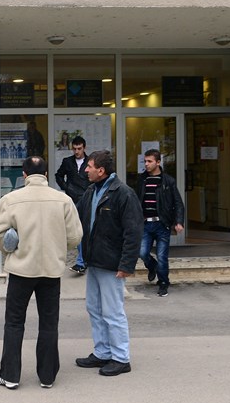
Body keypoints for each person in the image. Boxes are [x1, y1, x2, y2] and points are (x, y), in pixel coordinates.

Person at [0, 156, 83, 389]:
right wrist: (58, 248)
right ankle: (47, 376)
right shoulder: (63, 200)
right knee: (49, 323)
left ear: (24, 175)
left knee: (14, 323)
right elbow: (75, 236)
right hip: (51, 270)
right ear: (47, 175)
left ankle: (10, 376)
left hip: (21, 270)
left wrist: (10, 249)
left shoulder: (11, 200)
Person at [75, 150, 143, 377]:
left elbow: (133, 232)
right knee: (94, 308)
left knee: (113, 312)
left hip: (112, 265)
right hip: (93, 262)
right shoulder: (91, 191)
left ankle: (121, 358)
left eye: (89, 166)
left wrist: (126, 265)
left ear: (101, 170)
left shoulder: (123, 194)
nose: (86, 170)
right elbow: (76, 217)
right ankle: (102, 352)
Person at [136, 149, 185, 297]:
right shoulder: (142, 180)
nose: (146, 164)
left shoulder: (168, 181)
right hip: (146, 224)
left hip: (162, 224)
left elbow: (178, 203)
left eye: (149, 161)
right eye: (145, 161)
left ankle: (163, 283)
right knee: (142, 252)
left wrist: (178, 222)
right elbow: (136, 200)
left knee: (162, 256)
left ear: (158, 162)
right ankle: (153, 267)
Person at [55, 136, 90, 274]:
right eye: (74, 149)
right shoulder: (67, 161)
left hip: (86, 198)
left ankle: (84, 260)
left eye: (79, 148)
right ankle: (81, 262)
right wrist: (66, 187)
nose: (77, 151)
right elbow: (58, 175)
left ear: (84, 148)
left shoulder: (90, 162)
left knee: (86, 230)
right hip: (73, 199)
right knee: (78, 229)